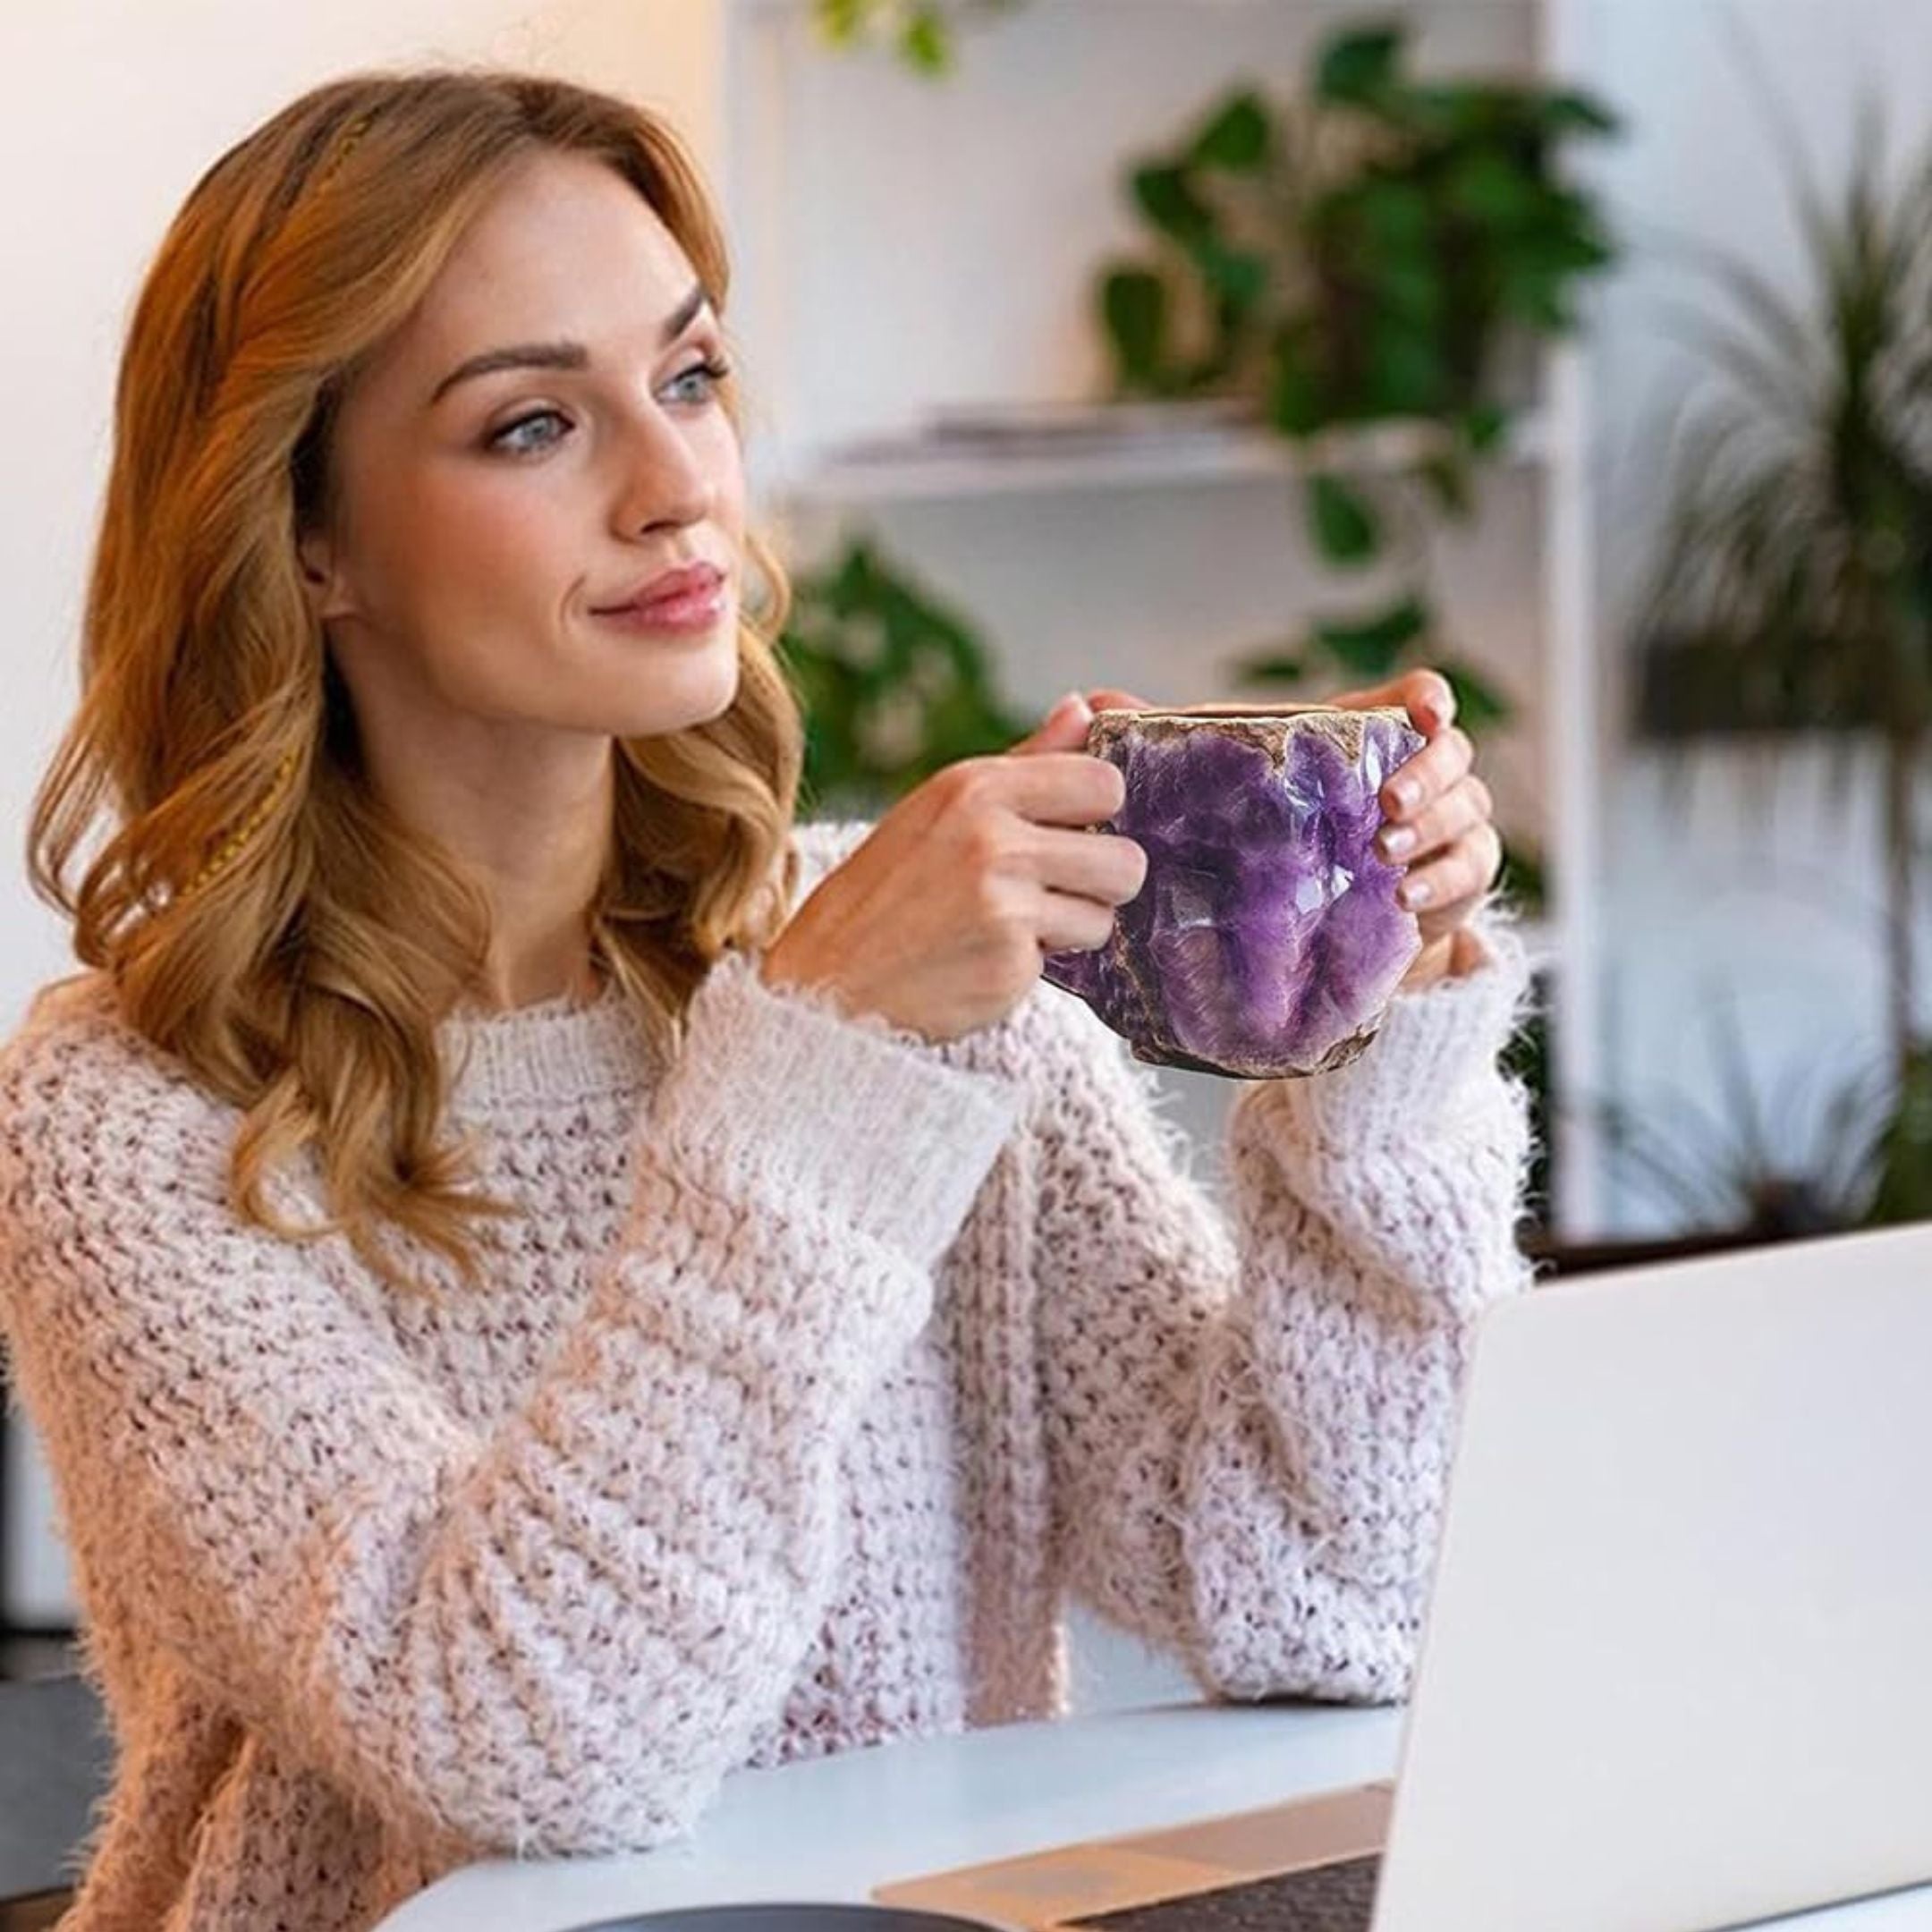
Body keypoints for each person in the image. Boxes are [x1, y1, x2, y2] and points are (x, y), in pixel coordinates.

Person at [0, 68, 1533, 1932]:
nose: (676, 488)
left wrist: (1382, 1034)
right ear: (306, 539)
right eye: (534, 424)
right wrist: (806, 1080)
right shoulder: (130, 1114)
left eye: (694, 378)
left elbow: (1325, 1591)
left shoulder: (885, 967)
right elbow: (529, 1739)